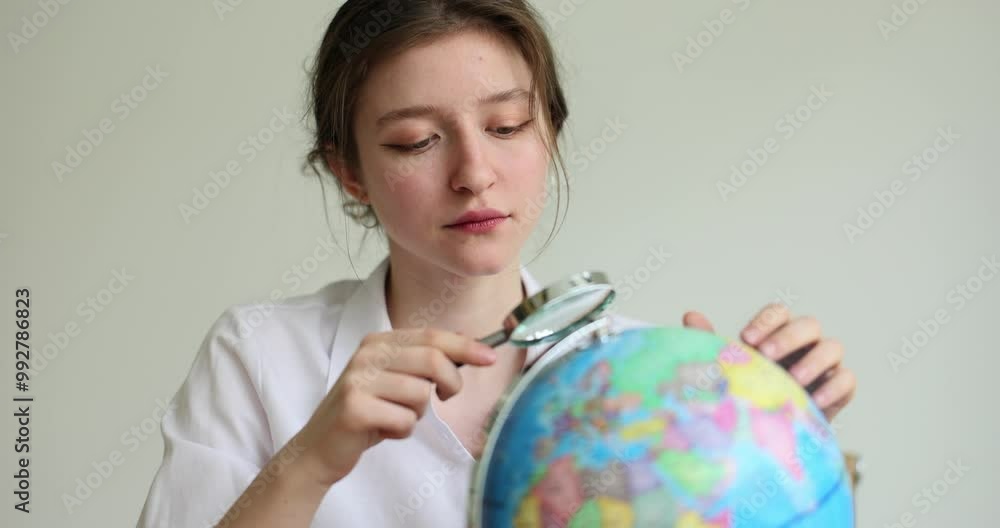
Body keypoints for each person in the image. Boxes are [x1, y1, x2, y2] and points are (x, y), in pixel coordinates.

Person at [136, 1, 857, 526]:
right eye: (417, 140)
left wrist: (772, 445)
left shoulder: (648, 384)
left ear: (549, 132)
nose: (474, 172)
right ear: (349, 171)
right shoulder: (259, 357)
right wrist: (312, 460)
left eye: (507, 126)